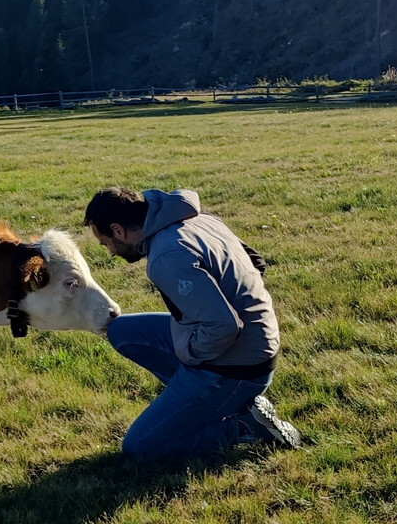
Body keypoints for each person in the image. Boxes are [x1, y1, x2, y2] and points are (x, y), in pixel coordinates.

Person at [84, 186, 301, 459]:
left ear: (118, 230)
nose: (111, 252)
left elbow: (225, 326)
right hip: (253, 344)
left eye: (106, 244)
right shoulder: (199, 219)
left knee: (140, 446)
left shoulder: (166, 255)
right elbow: (256, 263)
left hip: (237, 366)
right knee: (121, 331)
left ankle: (244, 424)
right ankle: (211, 402)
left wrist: (190, 355)